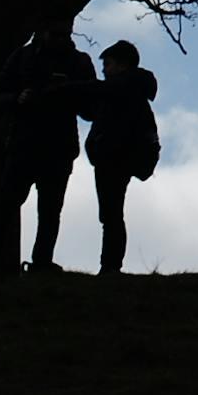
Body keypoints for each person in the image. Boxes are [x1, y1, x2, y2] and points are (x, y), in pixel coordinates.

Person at [14, 25, 99, 272]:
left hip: (53, 146)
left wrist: (69, 91)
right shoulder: (24, 57)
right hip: (29, 143)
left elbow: (90, 108)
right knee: (18, 204)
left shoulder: (78, 61)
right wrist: (19, 98)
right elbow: (1, 95)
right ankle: (25, 263)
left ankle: (37, 263)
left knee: (48, 210)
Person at [80, 39, 161, 276]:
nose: (104, 69)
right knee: (112, 214)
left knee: (111, 215)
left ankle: (110, 266)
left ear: (122, 65)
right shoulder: (131, 93)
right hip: (114, 158)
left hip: (113, 159)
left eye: (108, 64)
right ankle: (110, 266)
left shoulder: (122, 92)